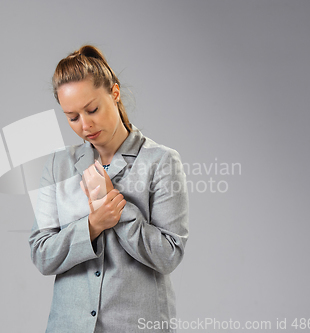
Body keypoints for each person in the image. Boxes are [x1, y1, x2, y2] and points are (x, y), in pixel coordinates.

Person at [29, 45, 189, 333]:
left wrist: (115, 206)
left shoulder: (161, 161)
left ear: (114, 93)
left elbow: (169, 254)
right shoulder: (58, 165)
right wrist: (91, 226)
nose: (85, 125)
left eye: (92, 109)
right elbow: (42, 254)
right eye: (72, 116)